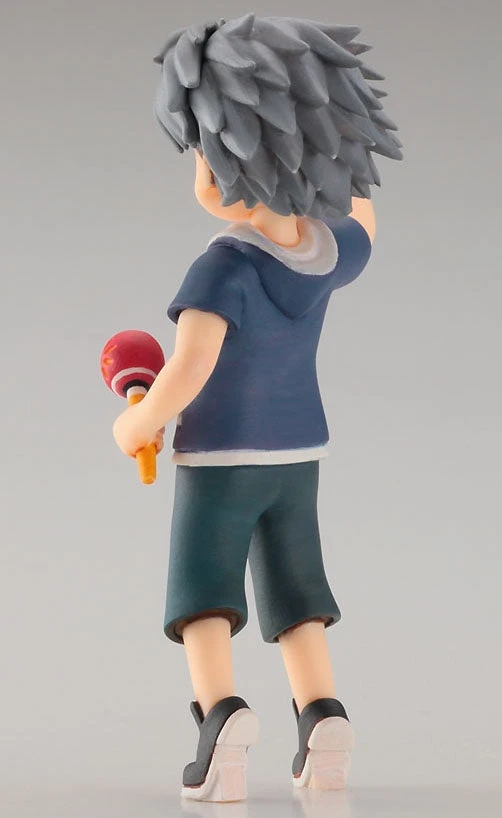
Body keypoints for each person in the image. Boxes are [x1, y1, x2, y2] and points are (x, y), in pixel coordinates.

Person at [112, 13, 402, 803]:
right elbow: (364, 212)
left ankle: (222, 720)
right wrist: (329, 136)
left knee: (203, 590)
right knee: (295, 588)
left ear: (226, 163)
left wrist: (139, 421)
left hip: (221, 459)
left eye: (205, 149)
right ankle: (322, 714)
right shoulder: (327, 252)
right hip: (299, 455)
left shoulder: (221, 270)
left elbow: (187, 370)